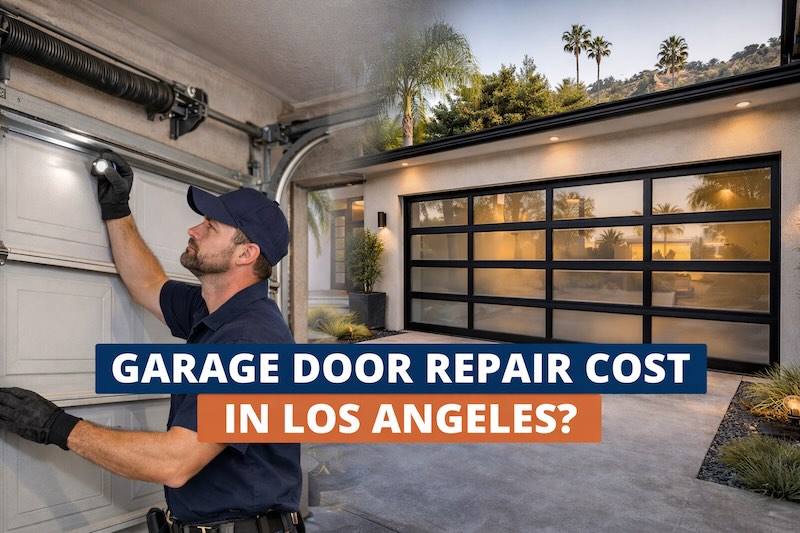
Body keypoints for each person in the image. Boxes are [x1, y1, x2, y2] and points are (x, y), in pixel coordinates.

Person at [0, 151, 302, 533]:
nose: (194, 230)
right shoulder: (211, 308)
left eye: (210, 226)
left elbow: (175, 462)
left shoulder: (252, 343)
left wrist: (57, 426)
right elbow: (147, 283)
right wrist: (117, 210)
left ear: (246, 253)